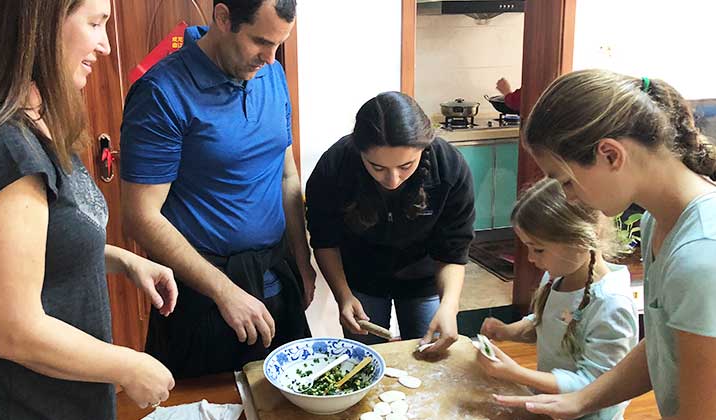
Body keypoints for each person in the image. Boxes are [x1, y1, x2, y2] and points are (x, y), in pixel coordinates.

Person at [0, 0, 178, 418]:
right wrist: (130, 366)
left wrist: (121, 260)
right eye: (94, 23)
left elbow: (32, 247)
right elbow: (14, 331)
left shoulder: (29, 124)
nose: (104, 45)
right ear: (39, 24)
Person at [493, 70, 716, 419]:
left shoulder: (701, 255)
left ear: (611, 155)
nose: (568, 198)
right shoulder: (656, 221)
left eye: (566, 182)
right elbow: (662, 343)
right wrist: (581, 399)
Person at [119, 0, 314, 378]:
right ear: (223, 18)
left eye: (279, 44)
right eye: (260, 41)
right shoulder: (161, 92)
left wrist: (302, 262)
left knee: (287, 403)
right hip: (204, 296)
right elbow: (140, 216)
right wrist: (224, 292)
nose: (271, 58)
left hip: (275, 277)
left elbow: (286, 174)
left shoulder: (270, 73)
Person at [305, 91, 476, 353]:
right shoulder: (335, 165)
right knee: (362, 360)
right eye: (377, 167)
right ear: (359, 151)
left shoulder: (449, 166)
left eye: (406, 166)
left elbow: (454, 250)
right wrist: (343, 296)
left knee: (428, 356)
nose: (393, 180)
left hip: (424, 277)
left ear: (424, 148)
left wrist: (449, 306)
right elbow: (325, 240)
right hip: (361, 277)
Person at [478, 178, 638, 420]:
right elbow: (550, 321)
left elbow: (593, 386)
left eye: (538, 249)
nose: (531, 258)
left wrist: (516, 373)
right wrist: (508, 331)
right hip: (552, 406)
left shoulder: (611, 305)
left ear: (582, 240)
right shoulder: (558, 276)